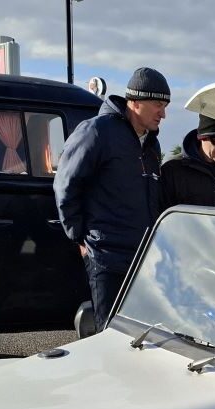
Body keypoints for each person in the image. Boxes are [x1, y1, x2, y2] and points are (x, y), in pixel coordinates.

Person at [54, 67, 169, 328]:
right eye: (158, 105)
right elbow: (66, 185)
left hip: (143, 259)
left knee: (141, 335)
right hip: (106, 258)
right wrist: (80, 238)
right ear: (135, 102)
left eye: (165, 106)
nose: (163, 114)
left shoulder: (152, 144)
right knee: (109, 336)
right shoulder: (96, 131)